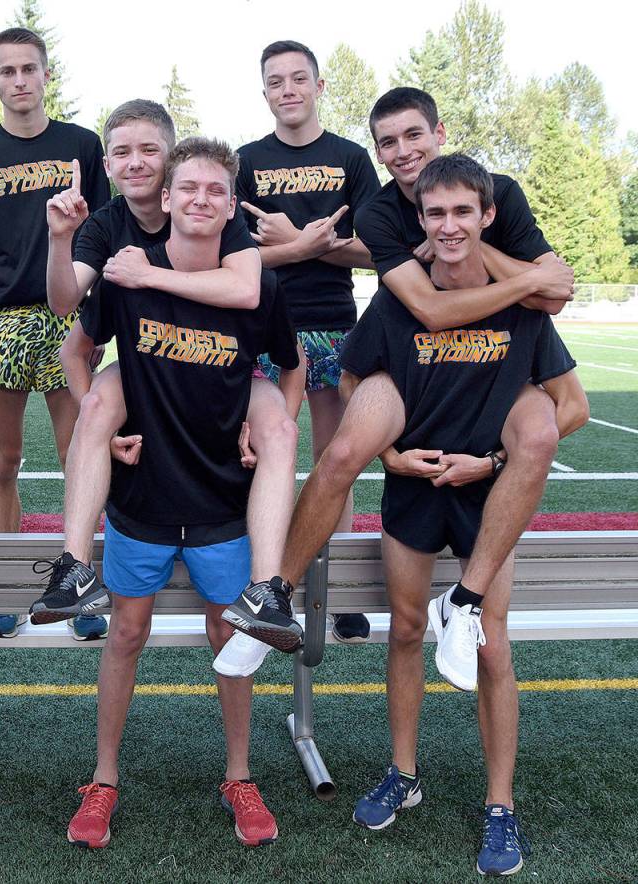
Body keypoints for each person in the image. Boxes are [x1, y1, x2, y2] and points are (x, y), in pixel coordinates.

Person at [231, 87, 575, 661]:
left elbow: (558, 292)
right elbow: (431, 308)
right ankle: (272, 595)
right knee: (339, 455)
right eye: (388, 142)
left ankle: (465, 601)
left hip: (496, 356)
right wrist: (511, 274)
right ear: (380, 155)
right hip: (415, 353)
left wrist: (480, 256)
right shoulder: (382, 213)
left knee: (538, 431)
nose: (403, 151)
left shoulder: (501, 193)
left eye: (414, 135)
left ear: (439, 134)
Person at [341, 154, 588, 877]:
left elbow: (569, 408)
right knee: (409, 630)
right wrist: (389, 454)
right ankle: (403, 773)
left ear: (487, 216)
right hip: (416, 486)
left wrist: (496, 464)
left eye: (463, 212)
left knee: (490, 645)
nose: (449, 225)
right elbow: (356, 380)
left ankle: (501, 805)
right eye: (436, 213)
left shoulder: (521, 305)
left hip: (487, 494)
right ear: (421, 220)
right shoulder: (396, 302)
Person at [63, 138, 301, 849]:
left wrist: (266, 427)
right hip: (144, 498)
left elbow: (288, 368)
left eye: (215, 191)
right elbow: (78, 348)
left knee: (229, 635)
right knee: (126, 635)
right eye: (188, 187)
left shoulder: (252, 286)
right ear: (165, 199)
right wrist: (93, 424)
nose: (201, 199)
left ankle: (239, 774)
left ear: (231, 207)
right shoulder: (128, 274)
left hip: (224, 502)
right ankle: (103, 778)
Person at [28, 100, 303, 670]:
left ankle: (267, 589)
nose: (137, 163)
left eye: (149, 150)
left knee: (277, 423)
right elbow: (65, 316)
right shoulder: (106, 226)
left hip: (228, 376)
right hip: (147, 372)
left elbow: (252, 297)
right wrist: (60, 238)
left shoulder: (230, 243)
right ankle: (74, 566)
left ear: (230, 203)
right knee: (100, 400)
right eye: (123, 152)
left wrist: (149, 275)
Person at [0, 27, 112, 640]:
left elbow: (101, 232)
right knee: (3, 459)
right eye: (7, 71)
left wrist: (95, 320)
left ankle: (79, 585)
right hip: (5, 321)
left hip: (68, 316)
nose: (19, 80)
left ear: (47, 75)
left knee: (81, 457)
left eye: (29, 69)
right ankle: (6, 583)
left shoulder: (80, 145)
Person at [235, 39, 380, 643]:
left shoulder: (351, 158)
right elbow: (235, 255)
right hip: (265, 326)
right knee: (262, 455)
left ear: (319, 87)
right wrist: (301, 244)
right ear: (263, 91)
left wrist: (311, 242)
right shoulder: (243, 159)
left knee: (334, 462)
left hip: (334, 324)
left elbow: (380, 250)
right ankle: (256, 579)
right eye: (276, 81)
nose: (288, 89)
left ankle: (335, 586)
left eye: (299, 78)